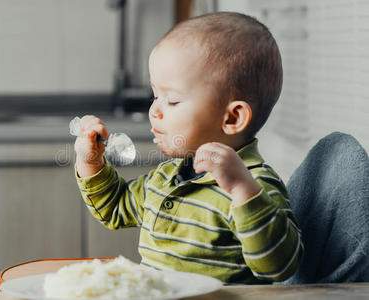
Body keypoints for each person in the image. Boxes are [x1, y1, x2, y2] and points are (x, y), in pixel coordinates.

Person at [73, 12, 303, 284]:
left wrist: (242, 190)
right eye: (155, 95)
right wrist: (90, 162)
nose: (154, 110)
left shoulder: (255, 185)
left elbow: (278, 266)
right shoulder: (166, 177)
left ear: (231, 118)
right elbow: (115, 207)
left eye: (171, 100)